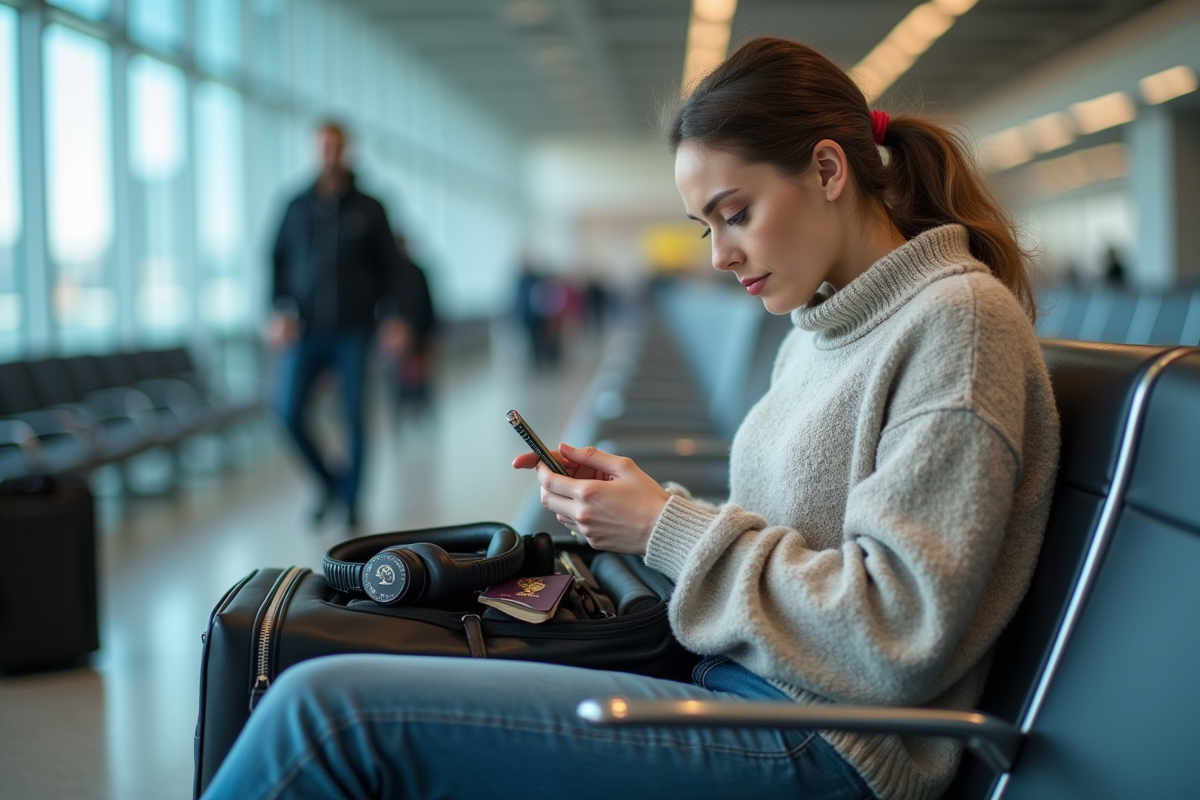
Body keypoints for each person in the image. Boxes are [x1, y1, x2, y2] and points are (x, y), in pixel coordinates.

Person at [205, 38, 1059, 800]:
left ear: (830, 171)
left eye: (735, 213)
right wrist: (647, 506)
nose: (719, 254)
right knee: (330, 689)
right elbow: (798, 539)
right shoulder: (826, 324)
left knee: (330, 716)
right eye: (704, 227)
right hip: (740, 684)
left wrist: (667, 528)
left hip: (829, 743)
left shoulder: (958, 326)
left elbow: (895, 632)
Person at [268, 120, 411, 530]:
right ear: (315, 150)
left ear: (347, 150)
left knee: (353, 415)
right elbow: (275, 261)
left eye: (336, 146)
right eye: (322, 147)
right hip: (306, 329)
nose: (329, 154)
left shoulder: (370, 208)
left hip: (355, 330)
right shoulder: (296, 205)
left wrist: (397, 318)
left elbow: (394, 269)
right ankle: (331, 484)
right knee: (288, 412)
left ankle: (351, 501)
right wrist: (277, 311)